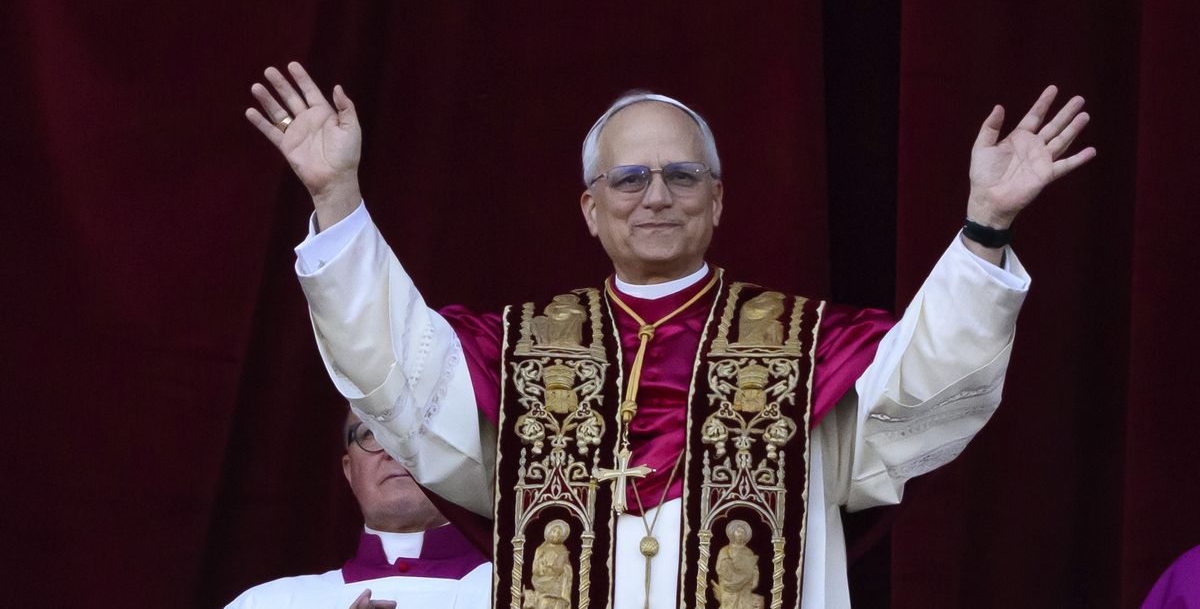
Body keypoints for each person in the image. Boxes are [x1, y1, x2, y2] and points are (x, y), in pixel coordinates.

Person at [244, 62, 1094, 608]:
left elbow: (927, 395)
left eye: (682, 174)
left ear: (717, 200)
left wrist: (985, 228)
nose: (657, 195)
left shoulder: (806, 350)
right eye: (630, 176)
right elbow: (395, 377)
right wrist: (337, 199)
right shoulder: (524, 353)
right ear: (590, 205)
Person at [225, 411, 490, 608]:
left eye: (416, 431)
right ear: (350, 471)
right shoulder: (265, 603)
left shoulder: (521, 591)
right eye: (370, 433)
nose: (393, 451)